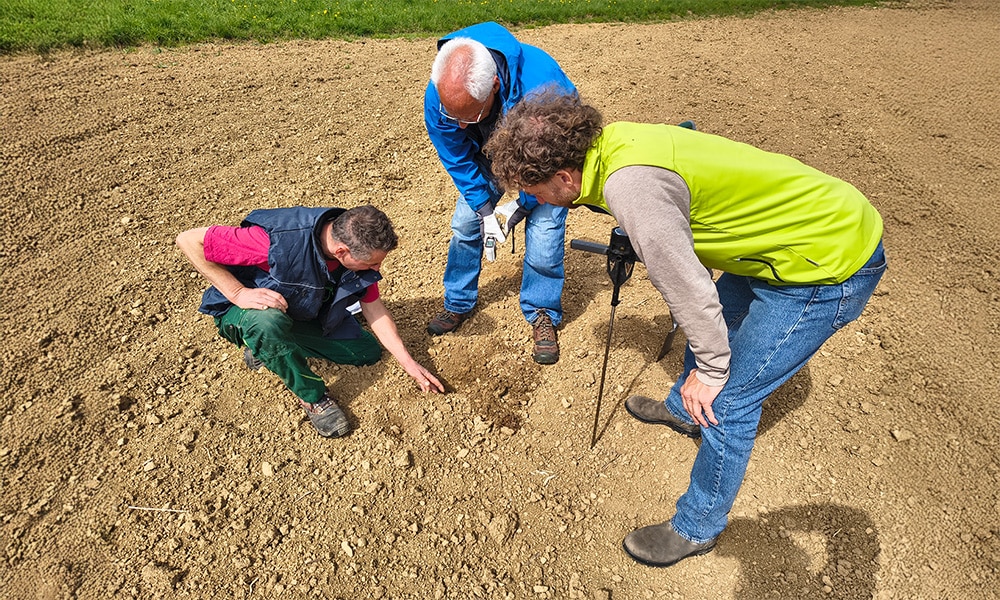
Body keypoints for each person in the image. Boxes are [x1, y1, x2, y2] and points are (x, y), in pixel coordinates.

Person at [484, 93, 887, 567]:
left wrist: (715, 370)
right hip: (778, 239)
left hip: (824, 262)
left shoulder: (631, 190)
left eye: (535, 190)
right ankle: (682, 410)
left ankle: (697, 527)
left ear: (565, 177)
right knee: (716, 329)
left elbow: (690, 289)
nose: (533, 200)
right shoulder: (612, 143)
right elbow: (670, 208)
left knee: (730, 397)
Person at [176, 205, 444, 439]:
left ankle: (268, 350)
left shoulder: (349, 239)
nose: (376, 270)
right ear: (341, 251)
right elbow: (188, 240)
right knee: (267, 324)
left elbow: (373, 307)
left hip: (301, 310)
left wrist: (409, 363)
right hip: (248, 313)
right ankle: (312, 398)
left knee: (367, 352)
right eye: (371, 263)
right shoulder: (275, 240)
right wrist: (238, 293)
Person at [423, 21, 577, 364]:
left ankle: (542, 312)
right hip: (487, 153)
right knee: (465, 225)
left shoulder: (543, 89)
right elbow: (456, 154)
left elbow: (559, 164)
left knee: (545, 234)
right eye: (454, 116)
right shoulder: (443, 91)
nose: (460, 125)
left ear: (494, 84)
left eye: (470, 116)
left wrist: (520, 206)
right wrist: (485, 209)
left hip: (547, 160)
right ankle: (458, 302)